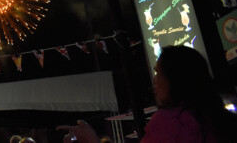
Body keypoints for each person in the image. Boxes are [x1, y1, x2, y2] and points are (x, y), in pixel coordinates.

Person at [57, 45, 237, 142]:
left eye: (159, 72)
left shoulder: (171, 123)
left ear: (176, 78)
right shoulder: (220, 119)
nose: (155, 81)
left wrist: (91, 141)